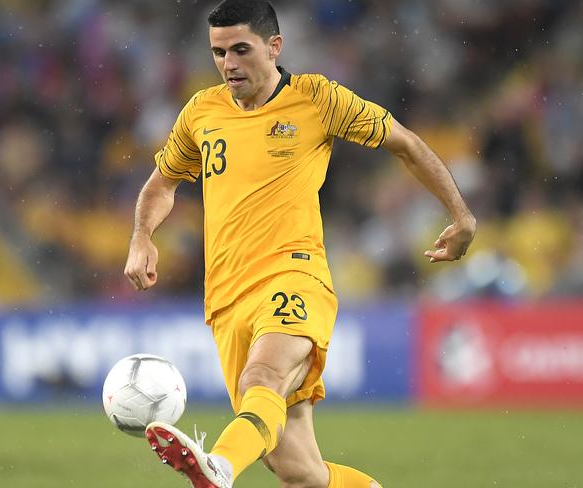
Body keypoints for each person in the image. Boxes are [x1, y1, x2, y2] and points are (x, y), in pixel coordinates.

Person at [124, 1, 476, 486]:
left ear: (274, 47)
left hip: (294, 275)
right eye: (218, 52)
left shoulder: (316, 99)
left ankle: (219, 467)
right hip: (226, 299)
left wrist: (462, 216)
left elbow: (407, 144)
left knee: (261, 379)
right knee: (299, 473)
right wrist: (142, 236)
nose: (228, 64)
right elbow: (161, 184)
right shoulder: (201, 112)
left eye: (240, 50)